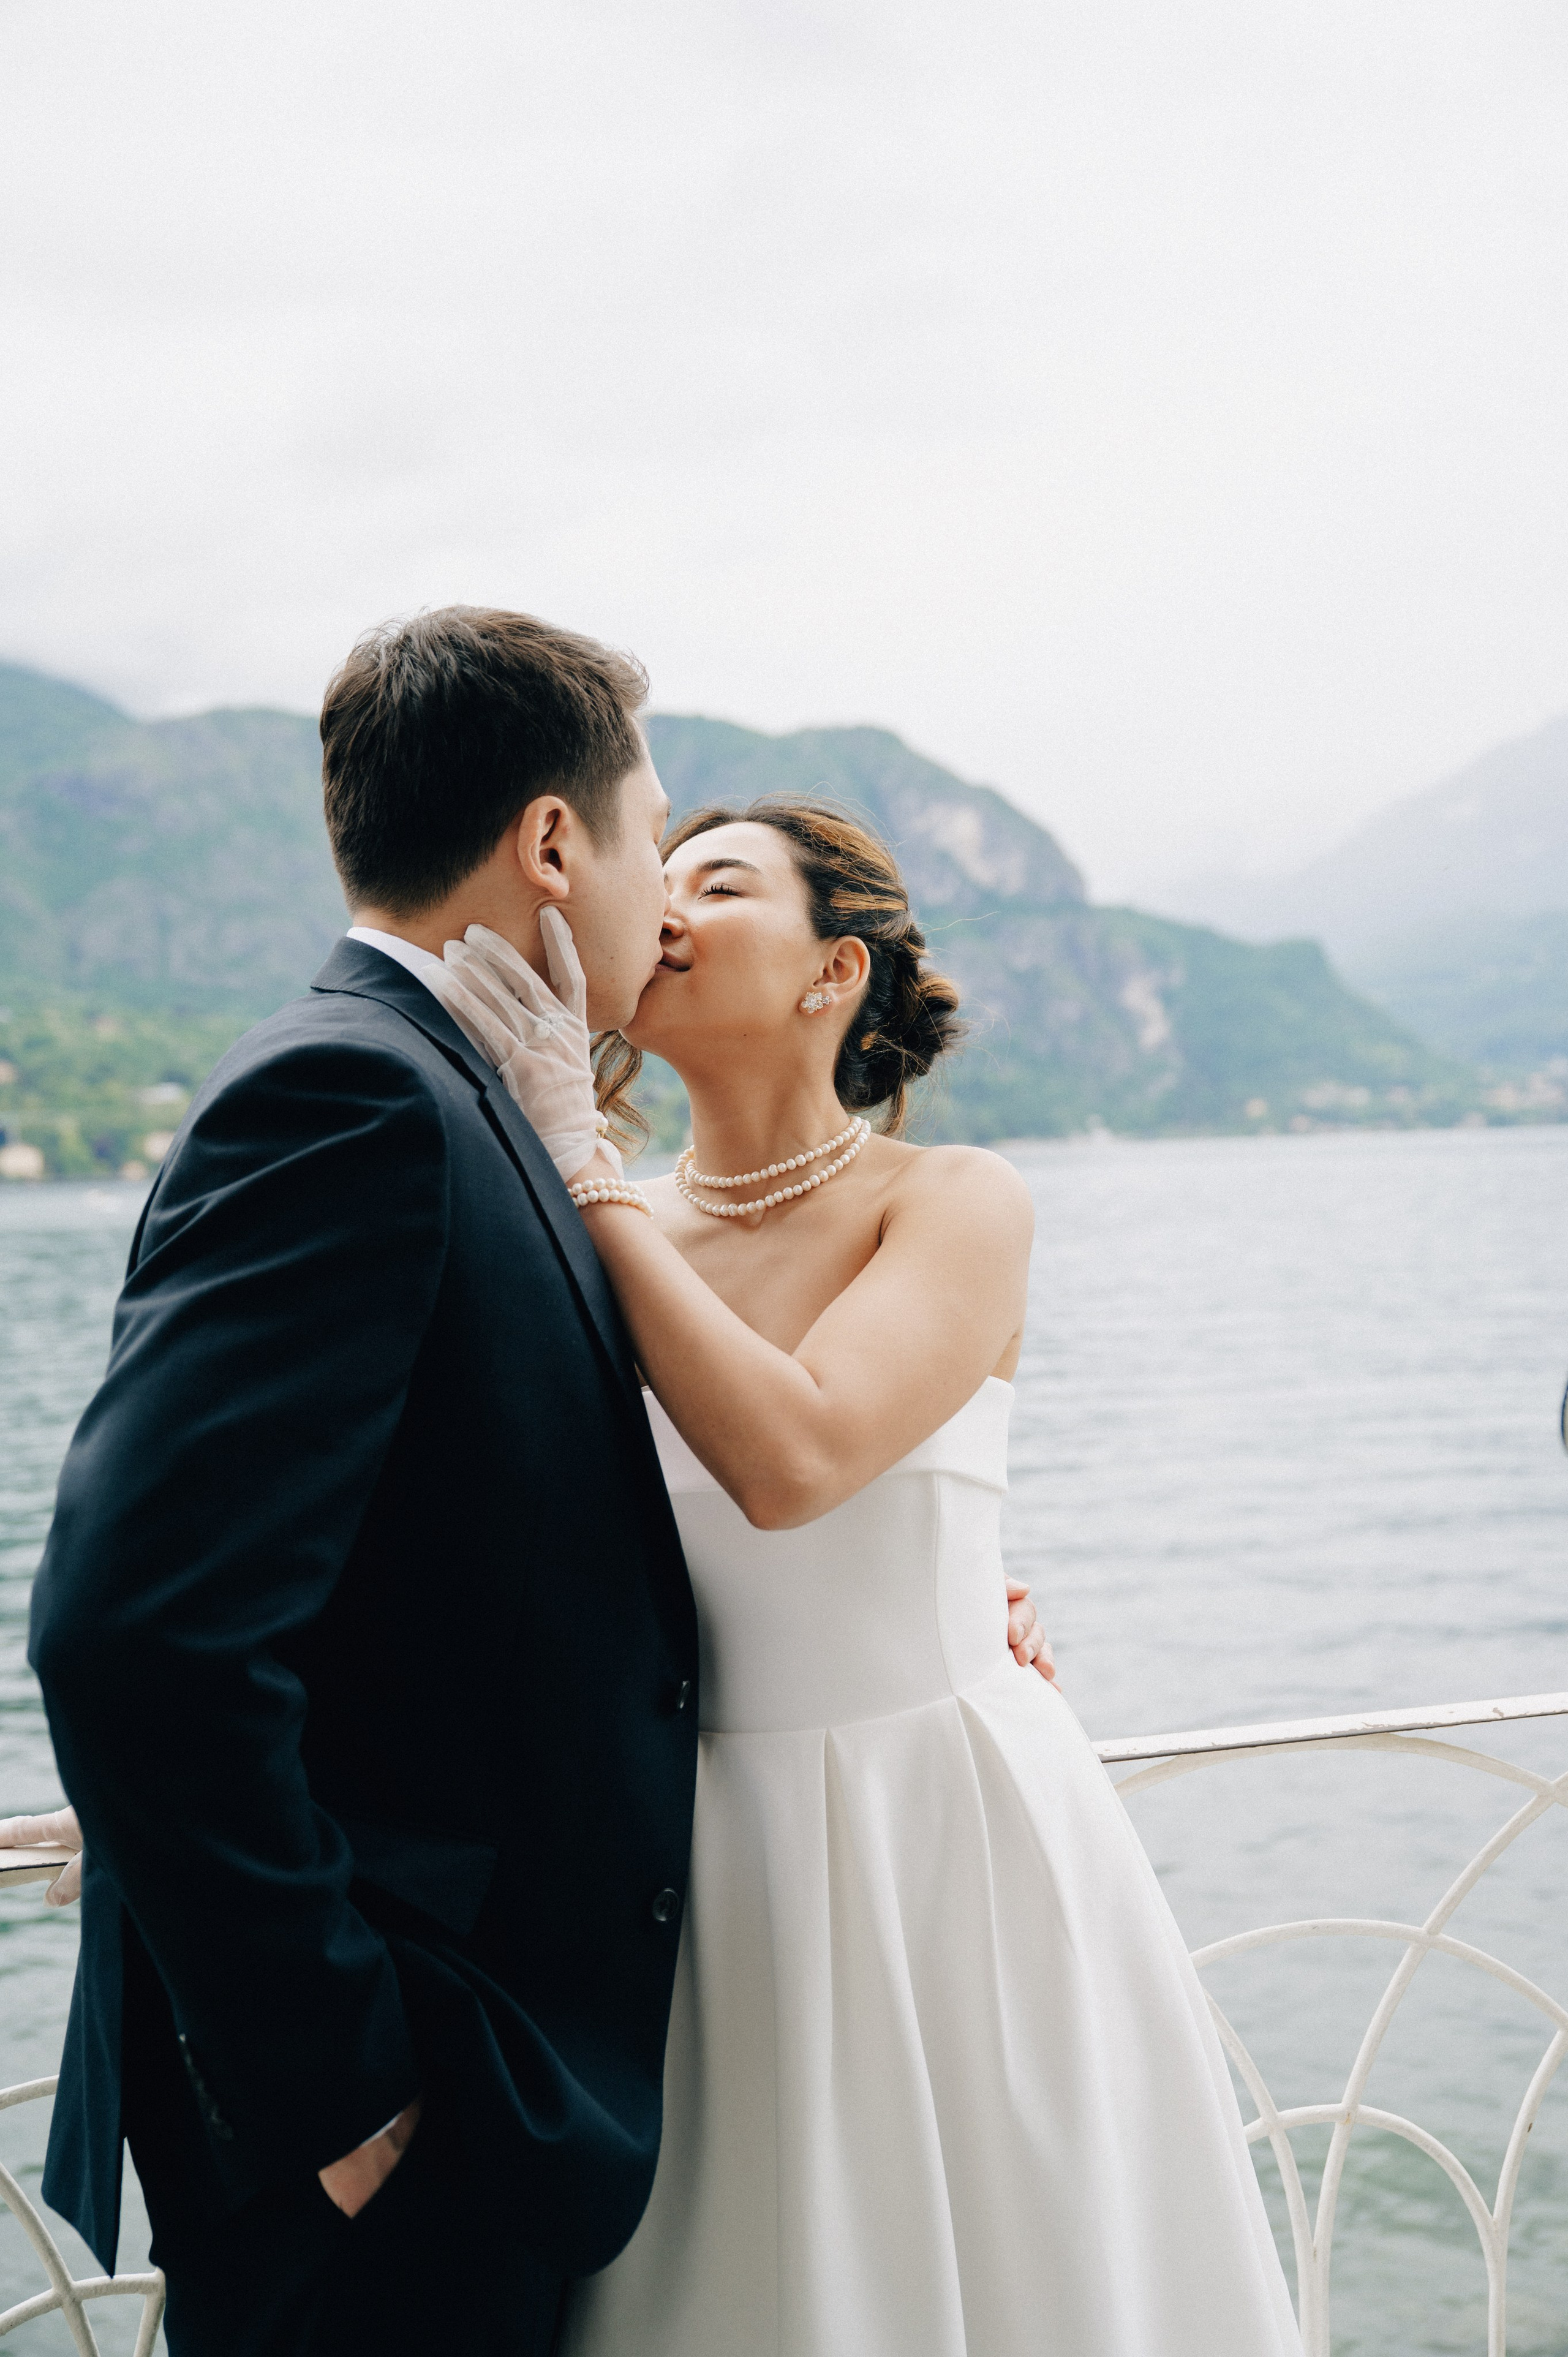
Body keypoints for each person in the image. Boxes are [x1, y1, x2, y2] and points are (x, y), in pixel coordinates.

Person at [1, 606, 1050, 2355]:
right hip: (392, 2087)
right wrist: (346, 2099)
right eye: (659, 839)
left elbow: (415, 1549)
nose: (665, 898)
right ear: (557, 843)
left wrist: (935, 1604)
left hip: (602, 2025)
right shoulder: (363, 1096)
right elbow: (135, 1633)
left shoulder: (461, 1104)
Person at [428, 799, 1304, 2356]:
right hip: (678, 1862)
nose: (668, 905)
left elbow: (799, 1460)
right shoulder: (583, 1224)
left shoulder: (950, 1200)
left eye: (719, 880)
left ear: (834, 971)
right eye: (662, 877)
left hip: (943, 1838)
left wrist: (578, 1158)